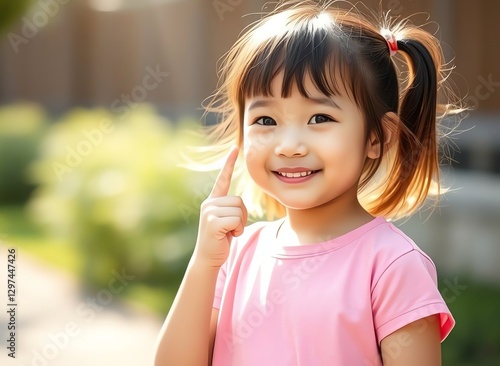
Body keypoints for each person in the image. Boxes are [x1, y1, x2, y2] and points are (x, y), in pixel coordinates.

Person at [154, 1, 463, 365]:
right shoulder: (234, 256)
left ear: (377, 137)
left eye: (319, 117)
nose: (289, 146)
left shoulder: (392, 266)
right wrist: (203, 262)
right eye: (266, 120)